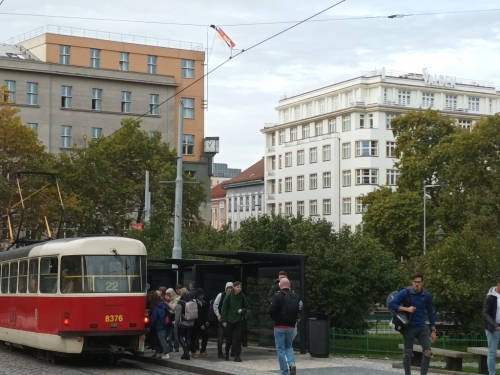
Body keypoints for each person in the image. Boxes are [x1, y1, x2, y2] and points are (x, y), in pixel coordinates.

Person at [388, 272, 436, 375]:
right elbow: (391, 304)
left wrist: (433, 330)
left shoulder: (427, 295)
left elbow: (431, 312)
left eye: (419, 282)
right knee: (408, 354)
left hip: (422, 327)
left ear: (422, 283)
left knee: (428, 351)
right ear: (412, 282)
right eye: (415, 282)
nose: (417, 284)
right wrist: (406, 309)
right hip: (409, 328)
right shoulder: (406, 292)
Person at [269, 278, 299, 375]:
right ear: (289, 285)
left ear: (280, 286)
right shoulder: (295, 296)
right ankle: (292, 363)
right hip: (291, 326)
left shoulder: (277, 296)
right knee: (289, 346)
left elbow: (271, 310)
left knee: (280, 349)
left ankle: (284, 372)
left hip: (279, 326)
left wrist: (276, 319)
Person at [221, 281, 249, 362]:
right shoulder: (229, 296)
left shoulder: (242, 296)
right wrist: (224, 320)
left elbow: (246, 306)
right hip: (230, 320)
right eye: (237, 287)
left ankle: (237, 355)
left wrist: (242, 310)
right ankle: (226, 353)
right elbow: (224, 309)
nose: (239, 289)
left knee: (237, 338)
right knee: (229, 339)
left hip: (239, 320)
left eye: (240, 287)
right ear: (234, 288)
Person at [482, 278, 500, 375]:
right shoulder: (491, 297)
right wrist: (494, 325)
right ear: (498, 285)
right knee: (492, 352)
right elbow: (485, 313)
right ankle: (492, 373)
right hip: (493, 328)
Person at [213, 282, 234, 358]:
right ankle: (220, 352)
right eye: (228, 288)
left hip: (230, 319)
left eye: (231, 288)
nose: (229, 289)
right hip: (221, 318)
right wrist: (218, 315)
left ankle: (228, 351)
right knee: (220, 336)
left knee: (229, 336)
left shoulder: (233, 296)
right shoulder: (221, 295)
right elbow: (215, 305)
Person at [175, 288, 195, 360]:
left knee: (180, 336)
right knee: (188, 337)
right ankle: (186, 354)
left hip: (183, 323)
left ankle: (186, 352)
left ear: (181, 293)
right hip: (191, 322)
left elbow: (178, 313)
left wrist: (176, 323)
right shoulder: (192, 300)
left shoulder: (181, 301)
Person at [149, 293, 170, 359]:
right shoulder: (163, 305)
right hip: (165, 324)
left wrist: (151, 324)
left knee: (162, 339)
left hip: (159, 325)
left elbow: (154, 317)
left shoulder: (156, 307)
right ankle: (162, 352)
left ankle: (166, 353)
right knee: (162, 339)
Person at [191, 288, 210, 358]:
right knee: (194, 337)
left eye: (203, 295)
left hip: (203, 322)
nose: (202, 297)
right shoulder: (194, 302)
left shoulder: (204, 303)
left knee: (205, 336)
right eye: (200, 295)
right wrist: (200, 324)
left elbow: (206, 313)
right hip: (196, 323)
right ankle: (193, 351)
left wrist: (207, 321)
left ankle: (203, 350)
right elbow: (195, 314)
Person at [166, 288, 180, 352]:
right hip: (169, 318)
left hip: (174, 318)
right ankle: (170, 347)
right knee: (169, 334)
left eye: (169, 294)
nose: (168, 295)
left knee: (175, 333)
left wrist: (168, 302)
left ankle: (176, 347)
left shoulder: (177, 299)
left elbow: (173, 307)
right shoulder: (168, 298)